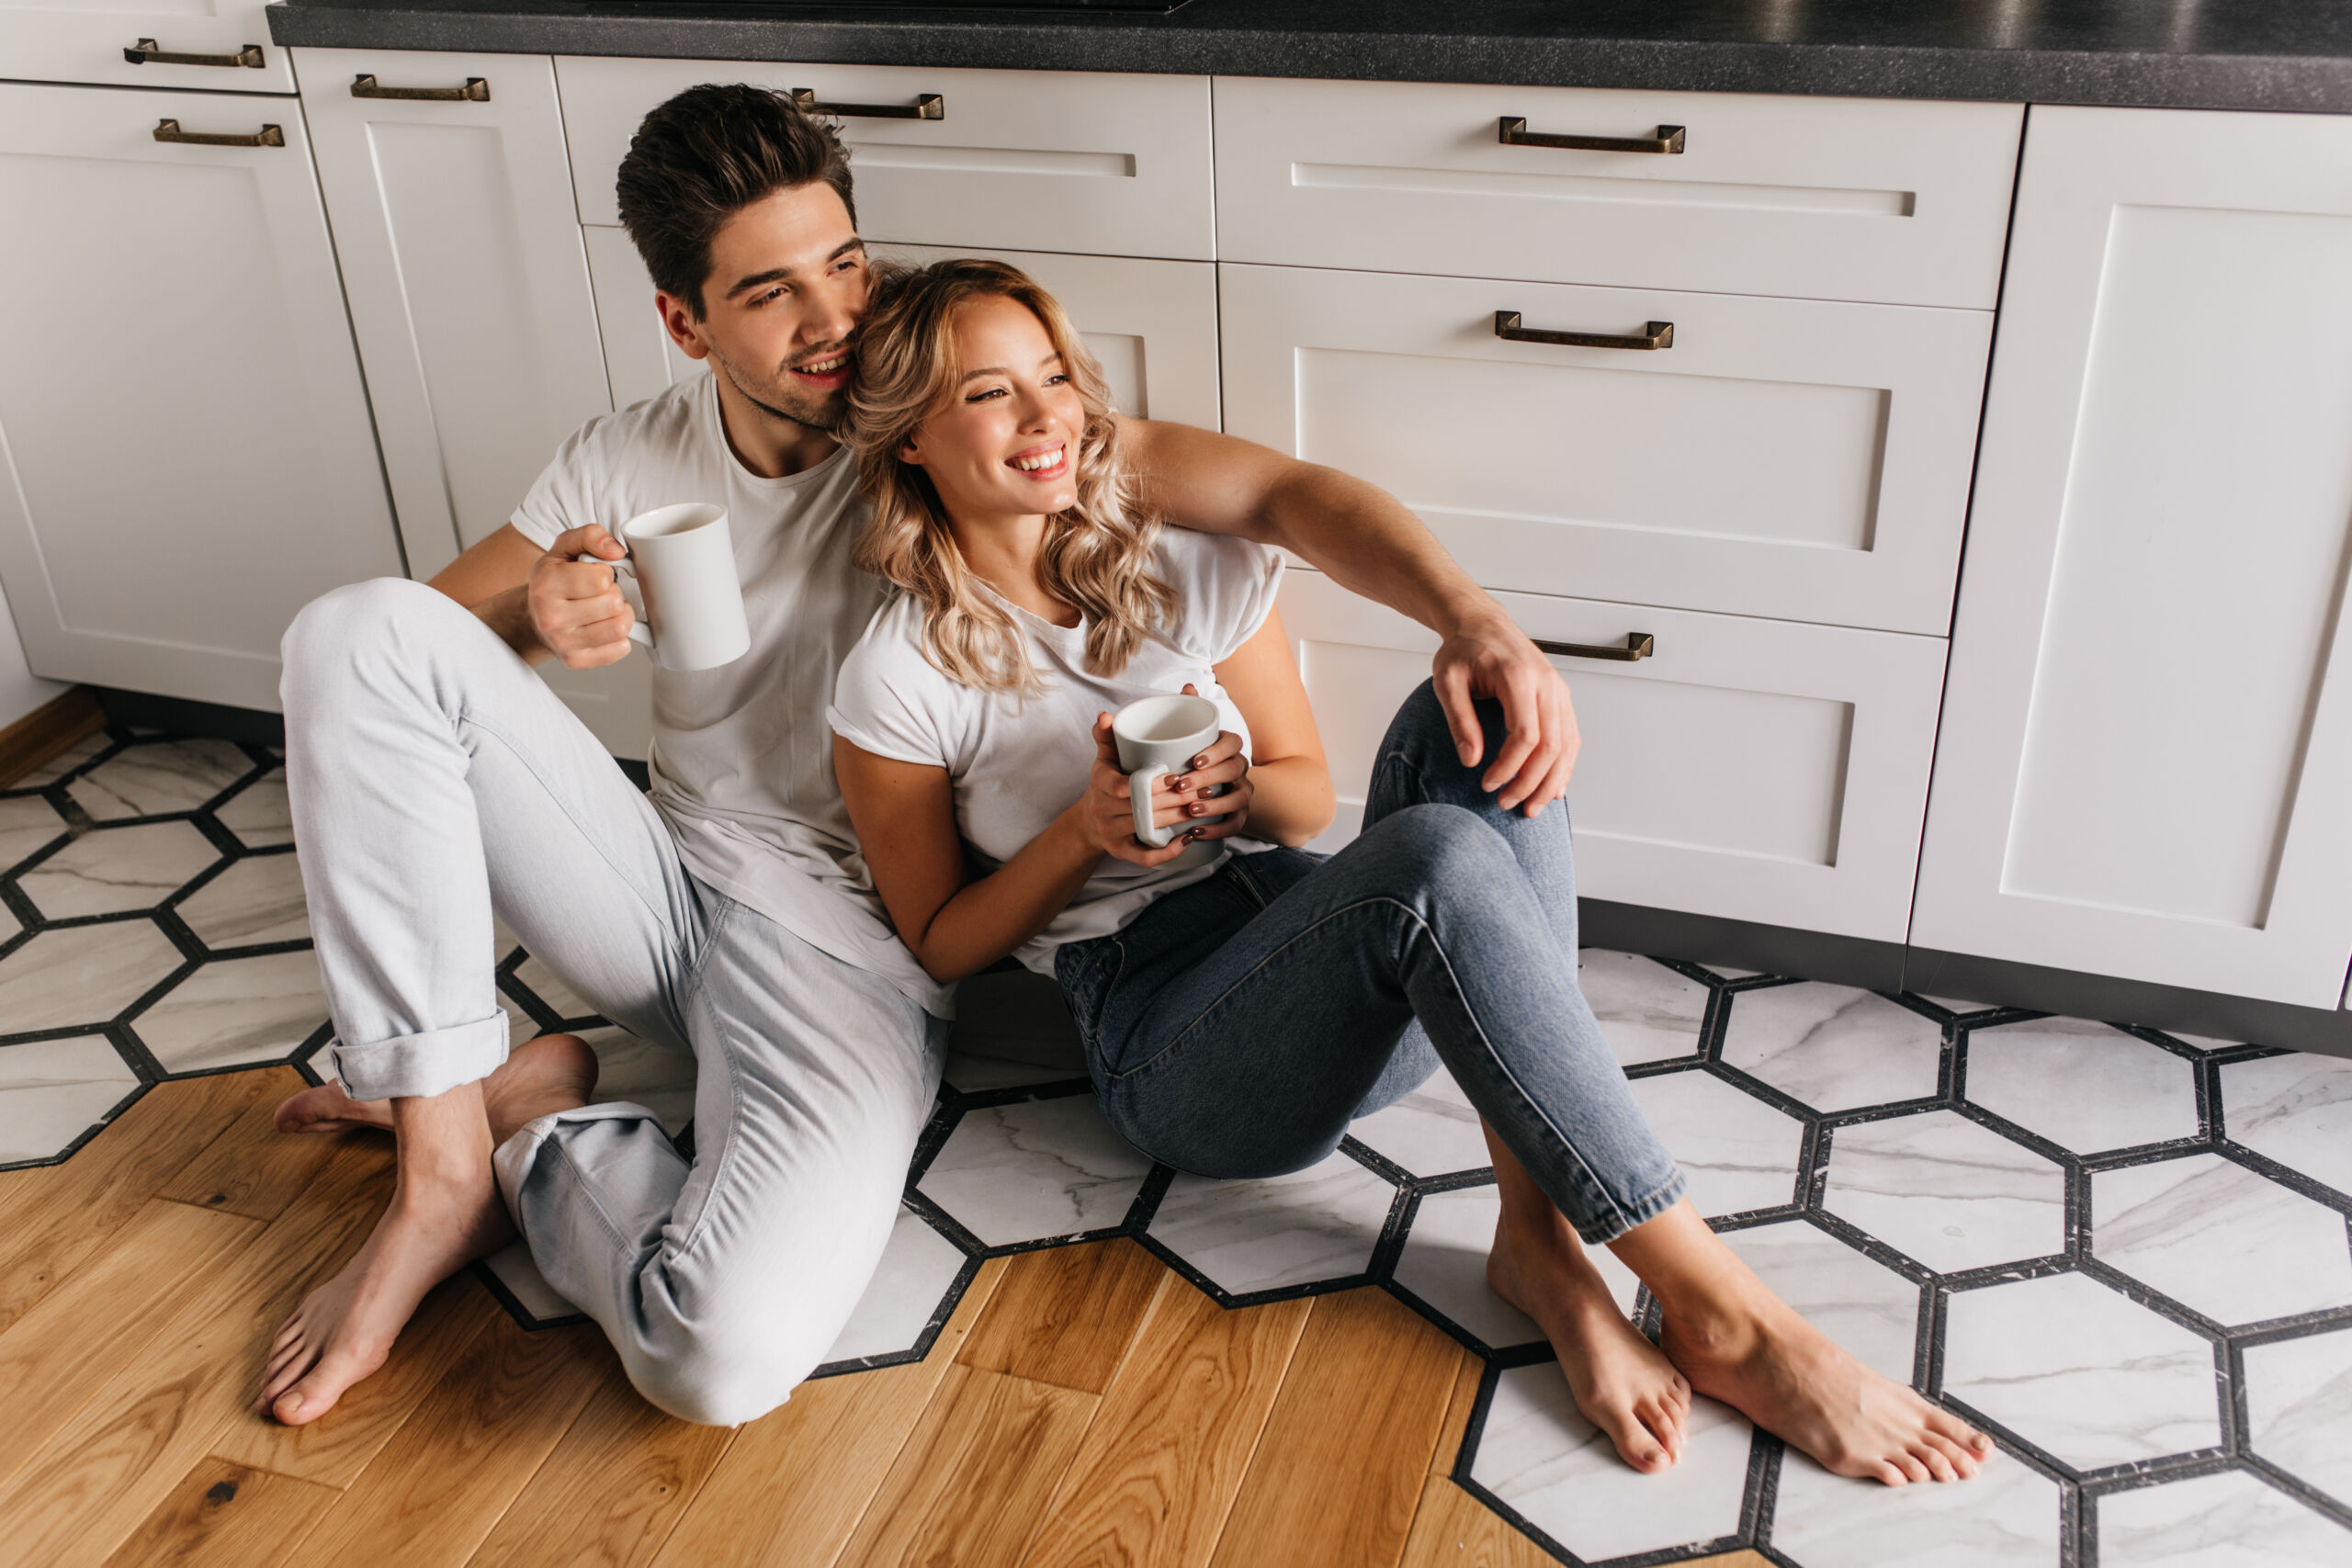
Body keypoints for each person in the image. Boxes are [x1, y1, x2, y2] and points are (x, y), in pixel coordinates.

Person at [255, 85, 1584, 1429]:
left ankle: (538, 1136)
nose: (834, 319)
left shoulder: (939, 420)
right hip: (654, 883)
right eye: (770, 293)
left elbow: (1285, 496)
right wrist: (533, 617)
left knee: (716, 1357)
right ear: (684, 321)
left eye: (843, 262)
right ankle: (435, 1166)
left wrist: (1471, 617)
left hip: (848, 940)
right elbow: (405, 663)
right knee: (354, 629)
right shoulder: (625, 459)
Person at [827, 257, 1996, 1484]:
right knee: (1430, 861)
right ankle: (1727, 1310)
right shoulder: (899, 675)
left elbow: (1301, 791)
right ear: (909, 437)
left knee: (1466, 711)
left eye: (1055, 376)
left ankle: (1539, 1244)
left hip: (1312, 957)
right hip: (1173, 1053)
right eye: (988, 394)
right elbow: (941, 943)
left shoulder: (1169, 555)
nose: (1046, 416)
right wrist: (1082, 834)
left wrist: (1419, 668)